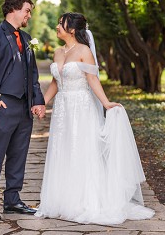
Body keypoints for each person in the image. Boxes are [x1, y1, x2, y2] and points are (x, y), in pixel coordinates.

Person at [35, 12, 155, 225]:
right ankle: (63, 201)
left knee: (82, 150)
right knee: (62, 150)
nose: (56, 26)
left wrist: (106, 103)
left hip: (81, 107)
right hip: (63, 108)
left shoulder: (84, 51)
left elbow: (92, 79)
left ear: (72, 29)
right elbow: (55, 82)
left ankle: (86, 201)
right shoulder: (58, 52)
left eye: (60, 24)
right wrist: (42, 103)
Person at [0, 0, 46, 220]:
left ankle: (12, 200)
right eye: (27, 10)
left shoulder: (26, 38)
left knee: (19, 154)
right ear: (13, 9)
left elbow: (32, 74)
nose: (29, 15)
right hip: (2, 105)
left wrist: (37, 101)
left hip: (24, 108)